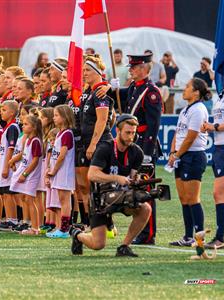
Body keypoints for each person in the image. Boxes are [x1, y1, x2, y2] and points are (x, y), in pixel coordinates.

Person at [100, 53, 163, 244]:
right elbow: (120, 94)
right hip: (134, 145)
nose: (131, 70)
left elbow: (153, 125)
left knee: (145, 190)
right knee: (137, 189)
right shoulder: (136, 87)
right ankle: (142, 233)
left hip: (143, 146)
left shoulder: (151, 92)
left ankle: (148, 234)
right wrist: (111, 88)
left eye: (134, 68)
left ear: (144, 69)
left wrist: (147, 153)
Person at [71, 114, 150, 257]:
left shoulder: (137, 152)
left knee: (145, 208)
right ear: (118, 131)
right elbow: (92, 175)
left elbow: (132, 177)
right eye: (127, 132)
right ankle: (78, 235)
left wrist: (136, 181)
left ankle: (124, 246)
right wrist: (115, 178)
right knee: (98, 244)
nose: (131, 136)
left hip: (123, 196)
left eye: (133, 133)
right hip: (101, 198)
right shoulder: (105, 148)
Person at [168, 78, 209, 247]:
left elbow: (191, 136)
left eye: (187, 87)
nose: (184, 89)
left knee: (193, 198)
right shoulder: (185, 109)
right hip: (182, 156)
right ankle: (187, 237)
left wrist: (177, 155)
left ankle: (199, 239)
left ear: (196, 92)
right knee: (184, 198)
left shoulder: (199, 109)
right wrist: (172, 152)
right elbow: (178, 133)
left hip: (193, 156)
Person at [78, 55, 115, 229]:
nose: (84, 73)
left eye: (87, 70)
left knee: (100, 186)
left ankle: (108, 224)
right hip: (88, 143)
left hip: (99, 144)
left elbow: (102, 120)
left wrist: (93, 144)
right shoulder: (91, 91)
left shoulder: (100, 92)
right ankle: (92, 222)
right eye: (83, 70)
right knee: (89, 187)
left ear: (97, 72)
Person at [201, 84, 224, 249]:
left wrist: (213, 127)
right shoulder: (221, 94)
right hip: (219, 148)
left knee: (218, 193)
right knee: (220, 194)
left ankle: (219, 238)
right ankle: (219, 237)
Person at [10, 115, 43, 235]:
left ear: (34, 127)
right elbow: (24, 155)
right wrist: (12, 161)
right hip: (27, 172)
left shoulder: (35, 141)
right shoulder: (28, 140)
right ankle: (31, 224)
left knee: (30, 199)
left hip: (31, 174)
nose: (23, 126)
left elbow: (34, 160)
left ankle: (35, 228)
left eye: (26, 124)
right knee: (25, 198)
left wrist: (25, 173)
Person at [46, 105, 75, 238]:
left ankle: (64, 229)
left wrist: (54, 170)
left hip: (63, 172)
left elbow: (62, 155)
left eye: (57, 115)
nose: (54, 117)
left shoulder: (67, 133)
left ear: (64, 117)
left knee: (64, 200)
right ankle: (61, 227)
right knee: (61, 200)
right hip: (58, 171)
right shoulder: (59, 133)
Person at [0, 100, 21, 231]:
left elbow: (11, 148)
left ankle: (13, 219)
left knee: (8, 193)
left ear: (12, 113)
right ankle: (9, 218)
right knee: (4, 193)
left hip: (8, 165)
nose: (1, 112)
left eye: (4, 110)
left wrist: (6, 166)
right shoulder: (7, 127)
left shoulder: (13, 127)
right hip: (3, 163)